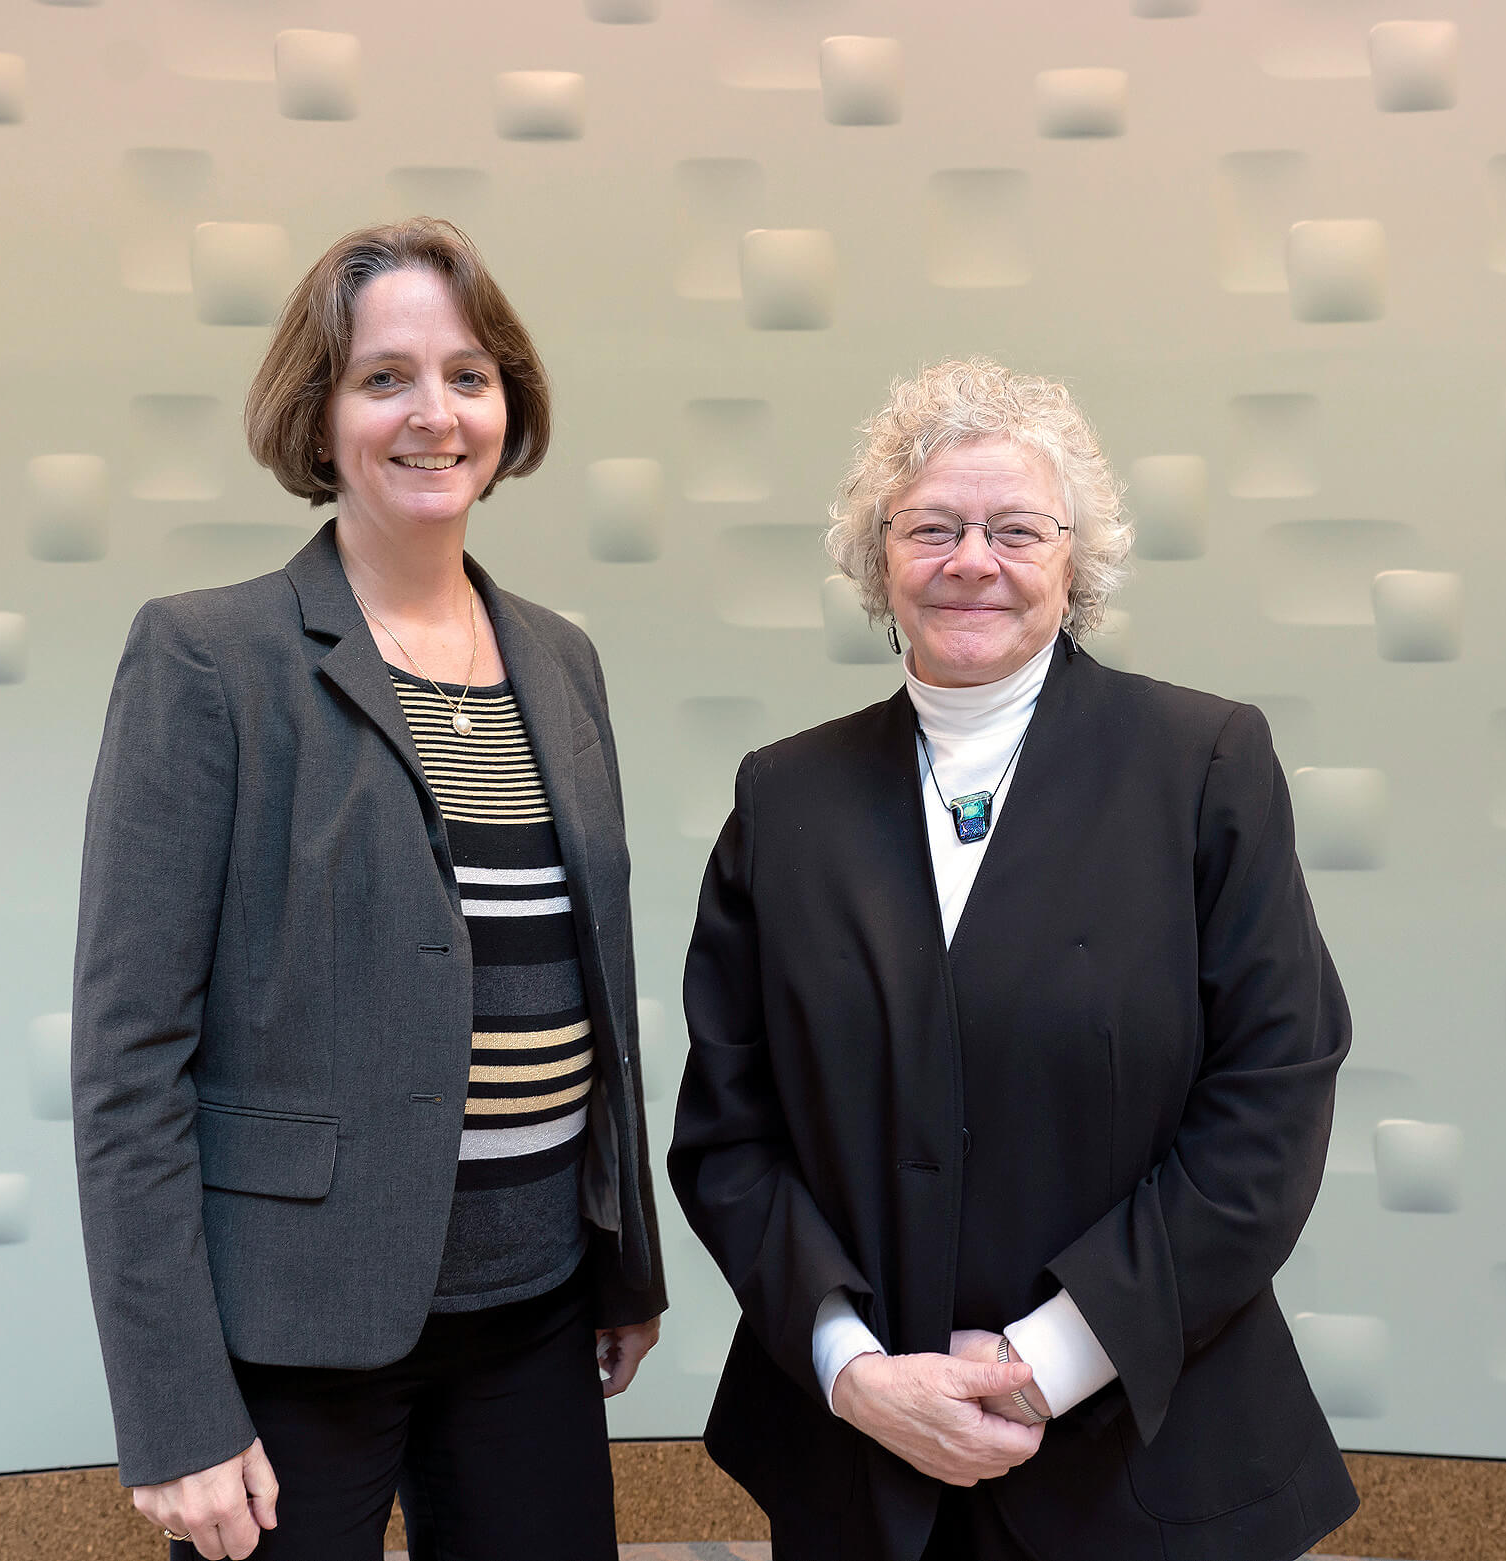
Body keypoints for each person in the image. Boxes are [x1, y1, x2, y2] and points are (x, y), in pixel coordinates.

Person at [669, 357, 1358, 1560]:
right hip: (862, 1465)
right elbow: (730, 1134)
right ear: (880, 556)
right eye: (932, 526)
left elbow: (1270, 1106)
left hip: (1142, 1465)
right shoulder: (786, 800)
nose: (971, 560)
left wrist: (1046, 1359)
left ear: (1074, 560)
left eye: (1016, 529)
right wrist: (852, 1368)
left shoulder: (1202, 767)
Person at [72, 217, 665, 1561]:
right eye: (384, 377)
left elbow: (592, 981)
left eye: (468, 375)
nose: (433, 414)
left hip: (536, 1311)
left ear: (509, 407)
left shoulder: (558, 660)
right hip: (298, 1329)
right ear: (319, 413)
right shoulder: (209, 658)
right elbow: (128, 1060)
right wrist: (174, 1409)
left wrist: (622, 1257)